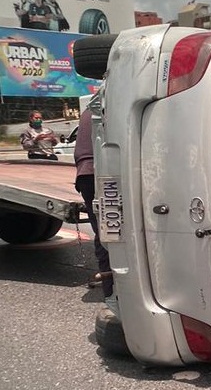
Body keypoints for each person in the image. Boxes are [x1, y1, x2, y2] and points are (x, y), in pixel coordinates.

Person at [74, 107, 116, 313]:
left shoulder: (89, 110)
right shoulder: (107, 105)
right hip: (101, 171)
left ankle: (109, 284)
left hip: (85, 174)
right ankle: (113, 288)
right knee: (112, 228)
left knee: (103, 231)